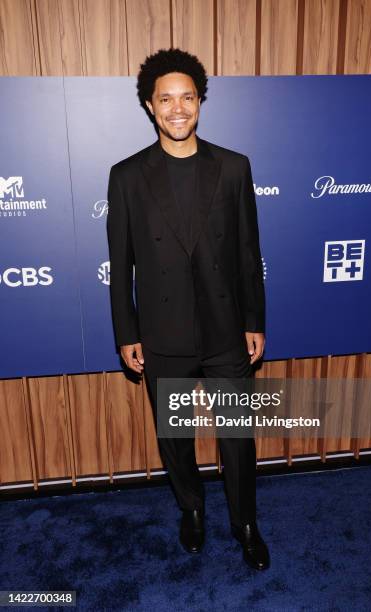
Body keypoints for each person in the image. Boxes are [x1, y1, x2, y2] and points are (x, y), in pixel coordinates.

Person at [107, 48, 269, 570]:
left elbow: (248, 253)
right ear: (150, 107)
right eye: (166, 99)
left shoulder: (233, 167)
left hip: (225, 330)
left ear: (199, 101)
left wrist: (254, 321)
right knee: (174, 436)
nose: (178, 109)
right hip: (163, 331)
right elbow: (121, 263)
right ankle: (192, 510)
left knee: (237, 436)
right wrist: (126, 332)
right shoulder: (127, 176)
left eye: (188, 97)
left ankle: (245, 522)